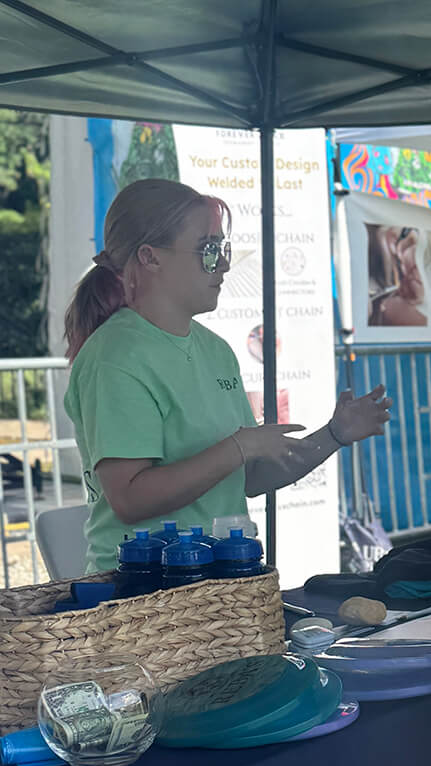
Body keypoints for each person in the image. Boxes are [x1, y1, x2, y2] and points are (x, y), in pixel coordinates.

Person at [64, 178, 392, 571]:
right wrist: (239, 447)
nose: (223, 263)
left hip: (219, 585)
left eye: (222, 249)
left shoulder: (215, 350)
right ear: (150, 257)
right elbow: (131, 499)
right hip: (141, 596)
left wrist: (334, 434)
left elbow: (247, 477)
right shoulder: (115, 357)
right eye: (207, 250)